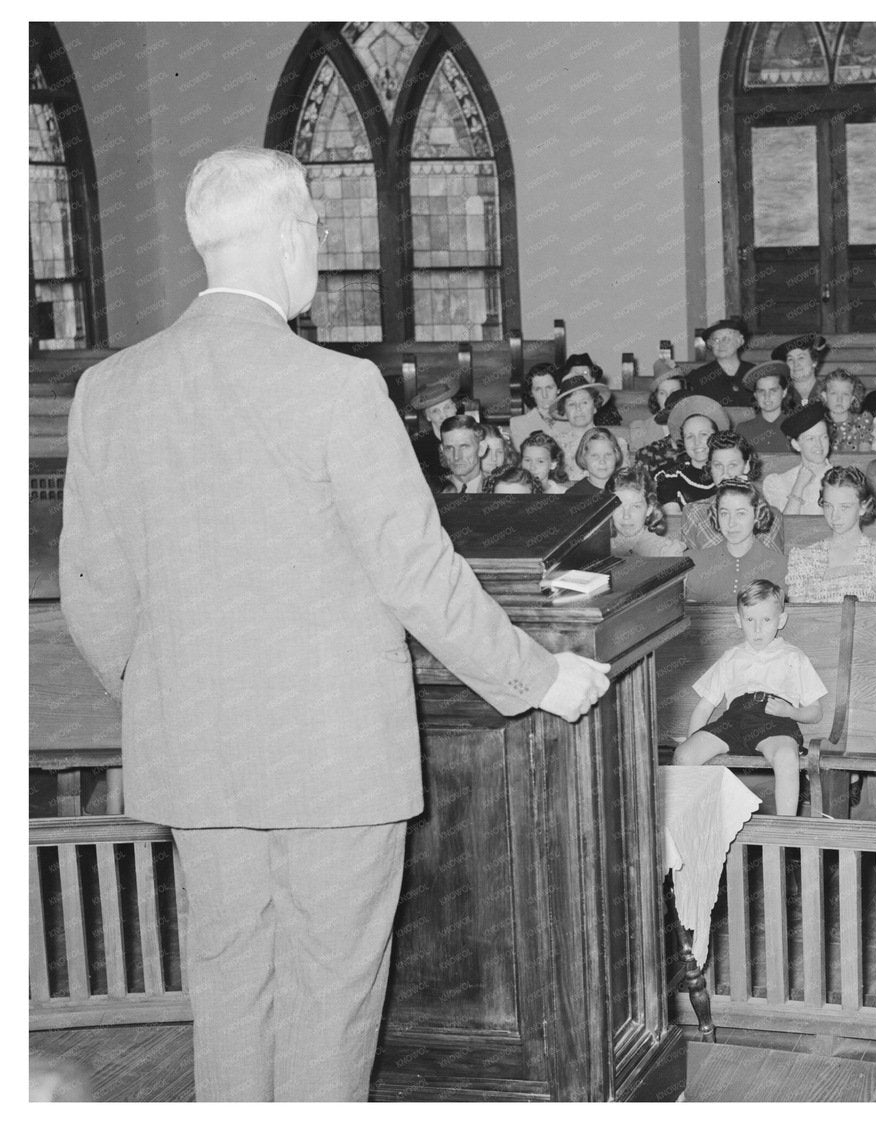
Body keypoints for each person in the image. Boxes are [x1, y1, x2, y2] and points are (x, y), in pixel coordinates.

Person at [57, 146, 609, 1102]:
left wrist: (163, 691)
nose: (317, 241)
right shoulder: (338, 388)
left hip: (197, 752)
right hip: (334, 757)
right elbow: (417, 574)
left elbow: (93, 592)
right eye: (313, 223)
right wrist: (538, 678)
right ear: (288, 235)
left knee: (231, 991)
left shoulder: (111, 389)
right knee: (330, 998)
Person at [673, 579, 828, 816]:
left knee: (787, 756)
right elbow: (704, 708)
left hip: (775, 719)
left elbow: (815, 711)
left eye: (766, 620)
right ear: (738, 621)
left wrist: (791, 712)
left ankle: (785, 831)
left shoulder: (793, 657)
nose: (757, 629)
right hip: (733, 720)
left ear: (781, 620)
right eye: (749, 620)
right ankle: (693, 822)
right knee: (684, 755)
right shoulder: (731, 657)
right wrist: (694, 740)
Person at [785, 466, 876, 604]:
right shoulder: (805, 558)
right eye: (828, 506)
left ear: (863, 507)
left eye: (844, 507)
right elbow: (799, 619)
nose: (835, 516)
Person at [683, 479, 787, 604]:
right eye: (724, 513)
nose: (731, 523)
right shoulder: (697, 562)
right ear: (716, 516)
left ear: (757, 515)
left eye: (741, 513)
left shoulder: (779, 565)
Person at [681, 431, 786, 551]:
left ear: (746, 466)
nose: (725, 473)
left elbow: (772, 564)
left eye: (732, 465)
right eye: (718, 465)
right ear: (710, 468)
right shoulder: (694, 513)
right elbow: (690, 564)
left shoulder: (770, 515)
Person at [656, 395, 732, 513]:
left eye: (703, 434)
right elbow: (674, 524)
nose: (697, 442)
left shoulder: (731, 472)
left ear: (716, 437)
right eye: (690, 436)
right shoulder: (671, 476)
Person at [761, 404, 836, 514]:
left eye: (823, 437)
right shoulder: (779, 482)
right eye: (811, 439)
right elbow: (786, 527)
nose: (819, 445)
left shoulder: (841, 479)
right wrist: (799, 485)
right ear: (796, 445)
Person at [549, 368, 617, 478]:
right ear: (564, 412)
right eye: (571, 404)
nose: (578, 408)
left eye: (584, 402)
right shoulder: (554, 446)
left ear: (595, 406)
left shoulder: (613, 443)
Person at [609, 466, 687, 558]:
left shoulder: (664, 551)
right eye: (618, 506)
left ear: (649, 509)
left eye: (636, 506)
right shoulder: (597, 546)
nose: (626, 515)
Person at [687, 316, 756, 407]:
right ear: (710, 345)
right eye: (716, 340)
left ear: (740, 341)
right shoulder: (699, 376)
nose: (721, 344)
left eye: (726, 339)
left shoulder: (754, 373)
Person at [408, 374, 462, 483]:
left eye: (447, 407)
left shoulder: (472, 438)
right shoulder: (418, 447)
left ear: (455, 407)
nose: (443, 415)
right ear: (427, 416)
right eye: (435, 411)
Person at [735, 360, 793, 453]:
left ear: (784, 392)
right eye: (761, 391)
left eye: (773, 390)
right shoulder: (743, 430)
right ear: (755, 395)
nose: (767, 396)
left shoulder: (795, 428)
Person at [558, 352, 623, 426]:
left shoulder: (604, 407)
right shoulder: (560, 404)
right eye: (575, 374)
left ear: (593, 380)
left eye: (585, 373)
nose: (580, 377)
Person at [508, 362, 564, 448]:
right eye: (538, 389)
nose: (544, 395)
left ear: (558, 389)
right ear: (531, 393)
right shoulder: (518, 424)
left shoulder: (572, 420)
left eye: (549, 388)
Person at [771, 332, 829, 409]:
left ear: (814, 361)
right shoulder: (780, 397)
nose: (796, 364)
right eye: (790, 359)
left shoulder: (829, 393)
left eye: (801, 358)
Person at [436, 414, 491, 494]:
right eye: (449, 448)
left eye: (464, 447)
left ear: (481, 449)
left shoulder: (497, 489)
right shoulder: (433, 491)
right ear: (442, 450)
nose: (456, 457)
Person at [823, 368, 873, 452]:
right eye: (833, 393)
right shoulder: (818, 423)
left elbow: (865, 456)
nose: (839, 399)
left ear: (852, 399)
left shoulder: (862, 421)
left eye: (845, 394)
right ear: (824, 396)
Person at [566, 426, 624, 495]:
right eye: (595, 456)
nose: (602, 461)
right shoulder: (573, 494)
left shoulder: (627, 489)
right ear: (583, 457)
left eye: (608, 455)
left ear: (616, 455)